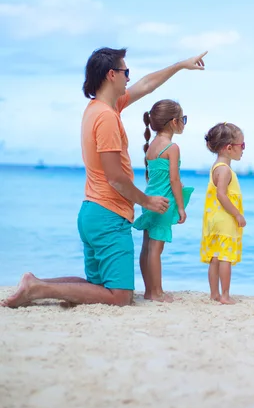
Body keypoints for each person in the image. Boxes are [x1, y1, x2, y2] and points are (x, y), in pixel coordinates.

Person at [2, 48, 207, 308]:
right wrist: (147, 201)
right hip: (108, 215)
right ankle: (36, 288)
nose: (130, 79)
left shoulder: (100, 108)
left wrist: (180, 65)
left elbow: (146, 85)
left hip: (92, 212)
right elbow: (115, 178)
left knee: (98, 287)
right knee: (120, 296)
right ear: (112, 74)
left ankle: (34, 282)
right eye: (126, 72)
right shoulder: (107, 117)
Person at [133, 99, 194, 302]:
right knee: (156, 249)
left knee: (147, 247)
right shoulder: (172, 147)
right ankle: (156, 292)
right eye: (183, 119)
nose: (184, 122)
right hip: (164, 204)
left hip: (149, 200)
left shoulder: (152, 146)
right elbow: (174, 179)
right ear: (174, 122)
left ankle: (149, 290)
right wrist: (182, 207)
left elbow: (160, 176)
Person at [200, 122, 246, 305]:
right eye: (242, 146)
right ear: (229, 148)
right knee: (225, 257)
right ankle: (225, 295)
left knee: (215, 257)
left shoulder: (216, 166)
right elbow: (221, 195)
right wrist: (237, 215)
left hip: (213, 219)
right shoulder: (224, 170)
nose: (243, 150)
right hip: (224, 218)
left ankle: (214, 294)